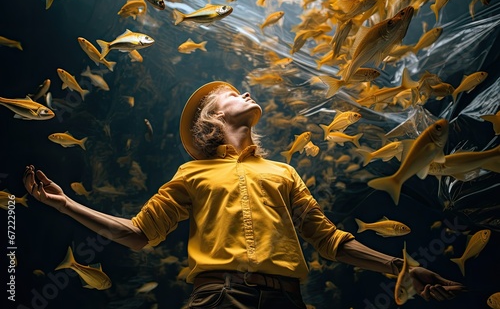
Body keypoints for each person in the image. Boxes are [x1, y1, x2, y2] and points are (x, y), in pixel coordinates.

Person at [23, 81, 466, 308]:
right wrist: (65, 204)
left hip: (288, 301)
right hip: (218, 298)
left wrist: (402, 269)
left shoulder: (284, 172)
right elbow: (138, 233)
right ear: (213, 117)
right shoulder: (191, 173)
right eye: (235, 93)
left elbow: (331, 241)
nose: (248, 92)